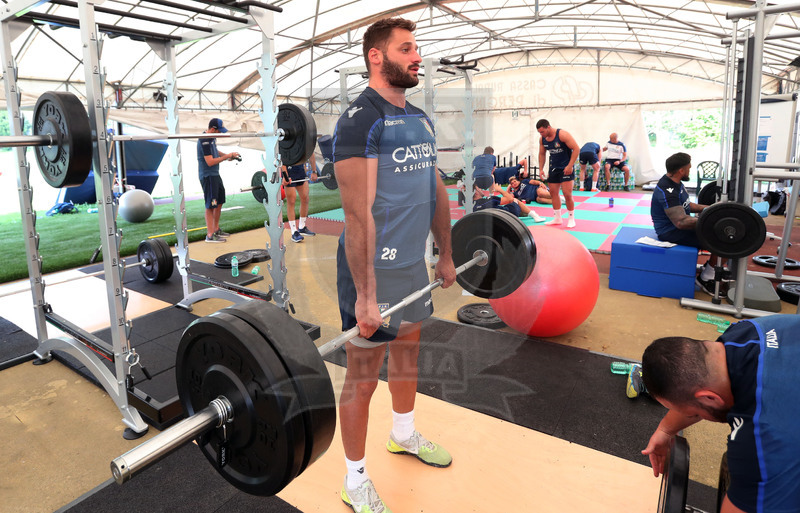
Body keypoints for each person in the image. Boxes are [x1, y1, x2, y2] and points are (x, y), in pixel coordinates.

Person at [332, 17, 457, 513]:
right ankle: (354, 477)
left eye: (417, 49)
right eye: (407, 48)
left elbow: (436, 189)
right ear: (376, 57)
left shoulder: (421, 119)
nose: (417, 56)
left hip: (411, 265)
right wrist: (364, 296)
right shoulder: (360, 121)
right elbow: (356, 215)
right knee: (363, 375)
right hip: (373, 273)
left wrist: (444, 252)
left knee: (408, 351)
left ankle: (402, 434)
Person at [640, 314, 800, 513]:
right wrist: (665, 430)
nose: (690, 414)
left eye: (690, 411)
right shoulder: (745, 330)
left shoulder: (762, 439)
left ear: (709, 398)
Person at [650, 152, 722, 295]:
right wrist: (712, 221)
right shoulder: (667, 190)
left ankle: (711, 268)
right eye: (689, 168)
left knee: (720, 232)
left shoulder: (676, 183)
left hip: (678, 226)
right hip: (670, 231)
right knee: (722, 239)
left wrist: (710, 208)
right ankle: (705, 278)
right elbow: (681, 222)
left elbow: (686, 205)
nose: (690, 170)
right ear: (681, 171)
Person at [197, 118, 240, 243]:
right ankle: (210, 235)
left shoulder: (211, 138)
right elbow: (209, 161)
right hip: (208, 175)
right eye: (219, 131)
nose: (220, 134)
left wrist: (227, 156)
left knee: (219, 200)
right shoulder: (204, 139)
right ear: (213, 129)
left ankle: (216, 229)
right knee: (210, 205)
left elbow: (215, 151)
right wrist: (227, 156)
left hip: (215, 174)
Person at [537, 119, 580, 228]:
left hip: (566, 168)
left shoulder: (562, 135)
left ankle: (571, 218)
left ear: (548, 127)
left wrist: (570, 165)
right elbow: (542, 154)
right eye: (539, 133)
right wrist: (541, 169)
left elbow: (576, 149)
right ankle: (557, 218)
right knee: (553, 193)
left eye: (542, 132)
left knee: (567, 193)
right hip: (554, 168)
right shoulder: (542, 139)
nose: (541, 134)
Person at [281, 155, 318, 243]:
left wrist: (314, 171)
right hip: (289, 171)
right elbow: (283, 157)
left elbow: (311, 154)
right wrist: (285, 175)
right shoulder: (286, 141)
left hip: (300, 170)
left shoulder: (305, 142)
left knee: (305, 198)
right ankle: (294, 232)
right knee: (291, 201)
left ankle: (301, 227)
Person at [472, 183, 546, 222]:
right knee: (515, 200)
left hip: (499, 216)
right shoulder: (490, 200)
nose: (481, 189)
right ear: (475, 192)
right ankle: (534, 215)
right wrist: (500, 190)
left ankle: (525, 213)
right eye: (478, 188)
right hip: (509, 215)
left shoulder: (472, 206)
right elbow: (510, 198)